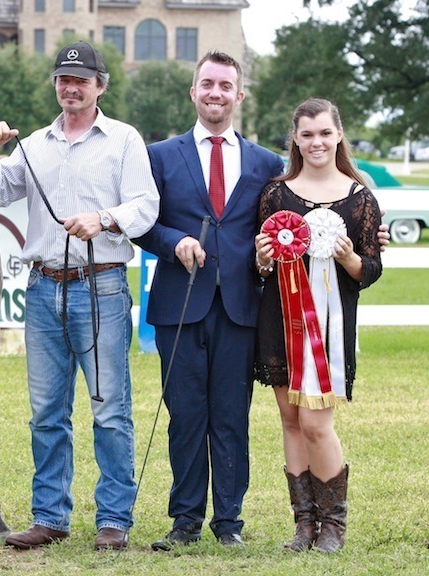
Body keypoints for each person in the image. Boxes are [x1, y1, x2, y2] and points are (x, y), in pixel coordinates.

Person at [0, 41, 160, 551]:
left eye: (81, 79)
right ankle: (50, 517)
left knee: (108, 409)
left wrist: (103, 219)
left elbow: (146, 206)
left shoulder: (123, 140)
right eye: (63, 79)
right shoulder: (35, 142)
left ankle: (114, 520)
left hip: (100, 285)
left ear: (101, 85)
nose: (71, 87)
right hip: (42, 289)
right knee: (46, 413)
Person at [135, 51, 286, 550]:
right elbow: (143, 226)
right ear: (193, 92)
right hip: (180, 306)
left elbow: (283, 227)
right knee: (185, 415)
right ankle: (184, 520)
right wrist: (173, 242)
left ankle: (229, 522)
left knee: (230, 416)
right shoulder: (160, 155)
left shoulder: (267, 163)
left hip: (241, 308)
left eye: (225, 85)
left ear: (238, 96)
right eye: (207, 84)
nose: (215, 92)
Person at [254, 98, 381, 554]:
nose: (316, 142)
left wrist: (349, 258)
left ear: (339, 135)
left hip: (329, 328)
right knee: (290, 419)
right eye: (307, 134)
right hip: (279, 323)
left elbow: (371, 269)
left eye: (325, 133)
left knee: (316, 424)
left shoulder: (360, 198)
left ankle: (334, 526)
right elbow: (260, 267)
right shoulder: (275, 194)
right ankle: (304, 525)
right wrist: (262, 259)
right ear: (295, 139)